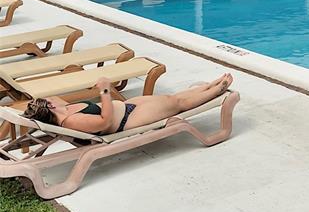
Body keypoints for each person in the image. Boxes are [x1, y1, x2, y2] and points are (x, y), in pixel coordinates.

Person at [23, 73, 233, 135]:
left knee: (173, 97)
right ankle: (218, 89)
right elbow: (104, 122)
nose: (55, 97)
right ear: (50, 107)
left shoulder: (66, 110)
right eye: (51, 99)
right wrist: (105, 90)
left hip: (127, 108)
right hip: (128, 120)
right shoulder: (71, 121)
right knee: (177, 103)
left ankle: (211, 84)